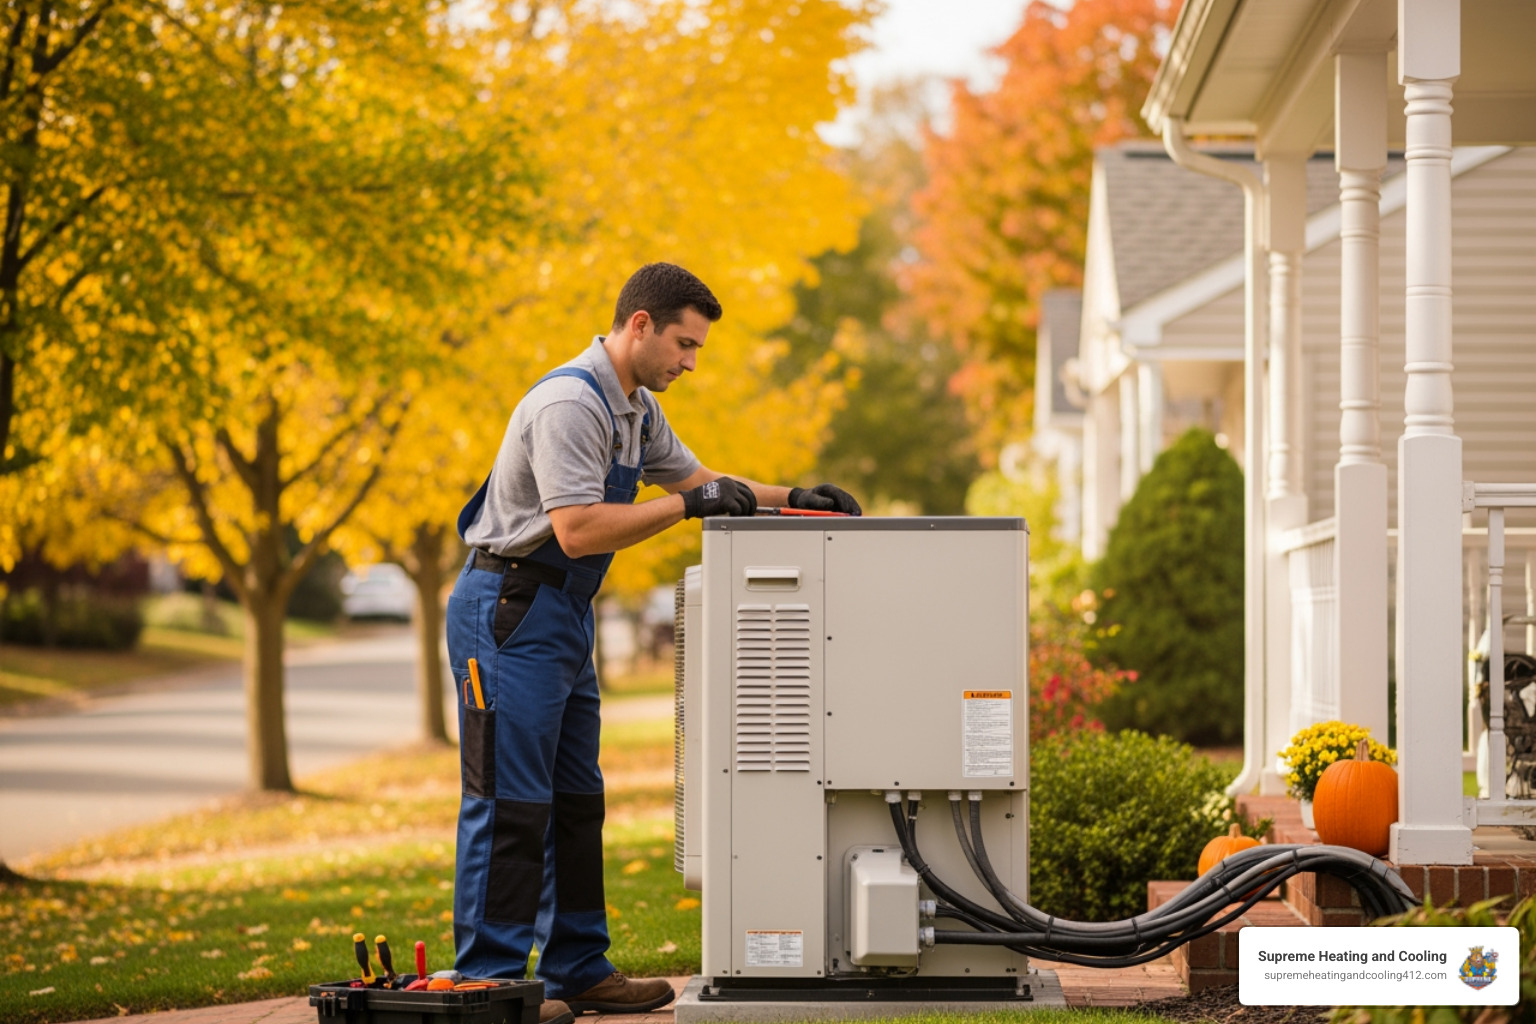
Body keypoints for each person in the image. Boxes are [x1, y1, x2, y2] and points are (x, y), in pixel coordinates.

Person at [447, 262, 861, 1023]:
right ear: (639, 324)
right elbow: (576, 530)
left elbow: (704, 481)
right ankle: (488, 988)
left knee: (577, 801)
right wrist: (684, 506)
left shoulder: (633, 408)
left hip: (562, 615)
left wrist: (796, 498)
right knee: (510, 803)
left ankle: (577, 968)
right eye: (684, 343)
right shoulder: (572, 404)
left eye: (697, 349)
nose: (691, 362)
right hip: (508, 608)